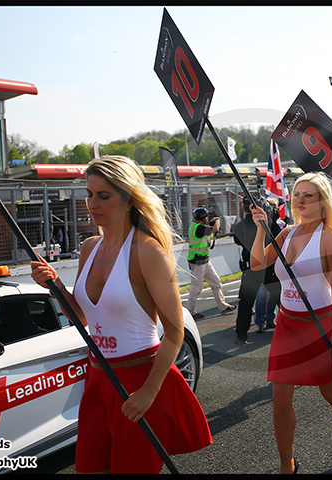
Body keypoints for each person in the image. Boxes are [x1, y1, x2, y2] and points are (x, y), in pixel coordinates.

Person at [30, 155, 212, 474]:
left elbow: (174, 331)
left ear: (129, 199)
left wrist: (149, 392)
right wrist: (54, 284)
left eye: (104, 195)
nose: (92, 203)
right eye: (89, 194)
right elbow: (83, 319)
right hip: (98, 379)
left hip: (141, 379)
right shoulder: (89, 247)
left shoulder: (148, 251)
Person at [249, 172, 332, 474]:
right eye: (298, 195)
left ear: (322, 201)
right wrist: (260, 230)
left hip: (320, 323)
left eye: (309, 195)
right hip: (287, 323)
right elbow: (257, 263)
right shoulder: (286, 232)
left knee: (329, 391)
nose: (301, 200)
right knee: (279, 396)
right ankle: (286, 463)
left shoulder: (330, 238)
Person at [232, 196, 281, 344]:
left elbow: (237, 240)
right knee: (281, 300)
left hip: (250, 267)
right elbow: (278, 235)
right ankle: (292, 329)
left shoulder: (240, 225)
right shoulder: (266, 222)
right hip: (268, 266)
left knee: (246, 304)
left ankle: (241, 335)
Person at [186, 207, 236, 320]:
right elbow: (215, 229)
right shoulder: (198, 228)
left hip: (204, 260)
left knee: (216, 282)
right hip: (198, 261)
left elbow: (209, 236)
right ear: (204, 218)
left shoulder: (197, 227)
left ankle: (223, 306)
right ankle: (191, 311)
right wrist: (217, 220)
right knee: (196, 288)